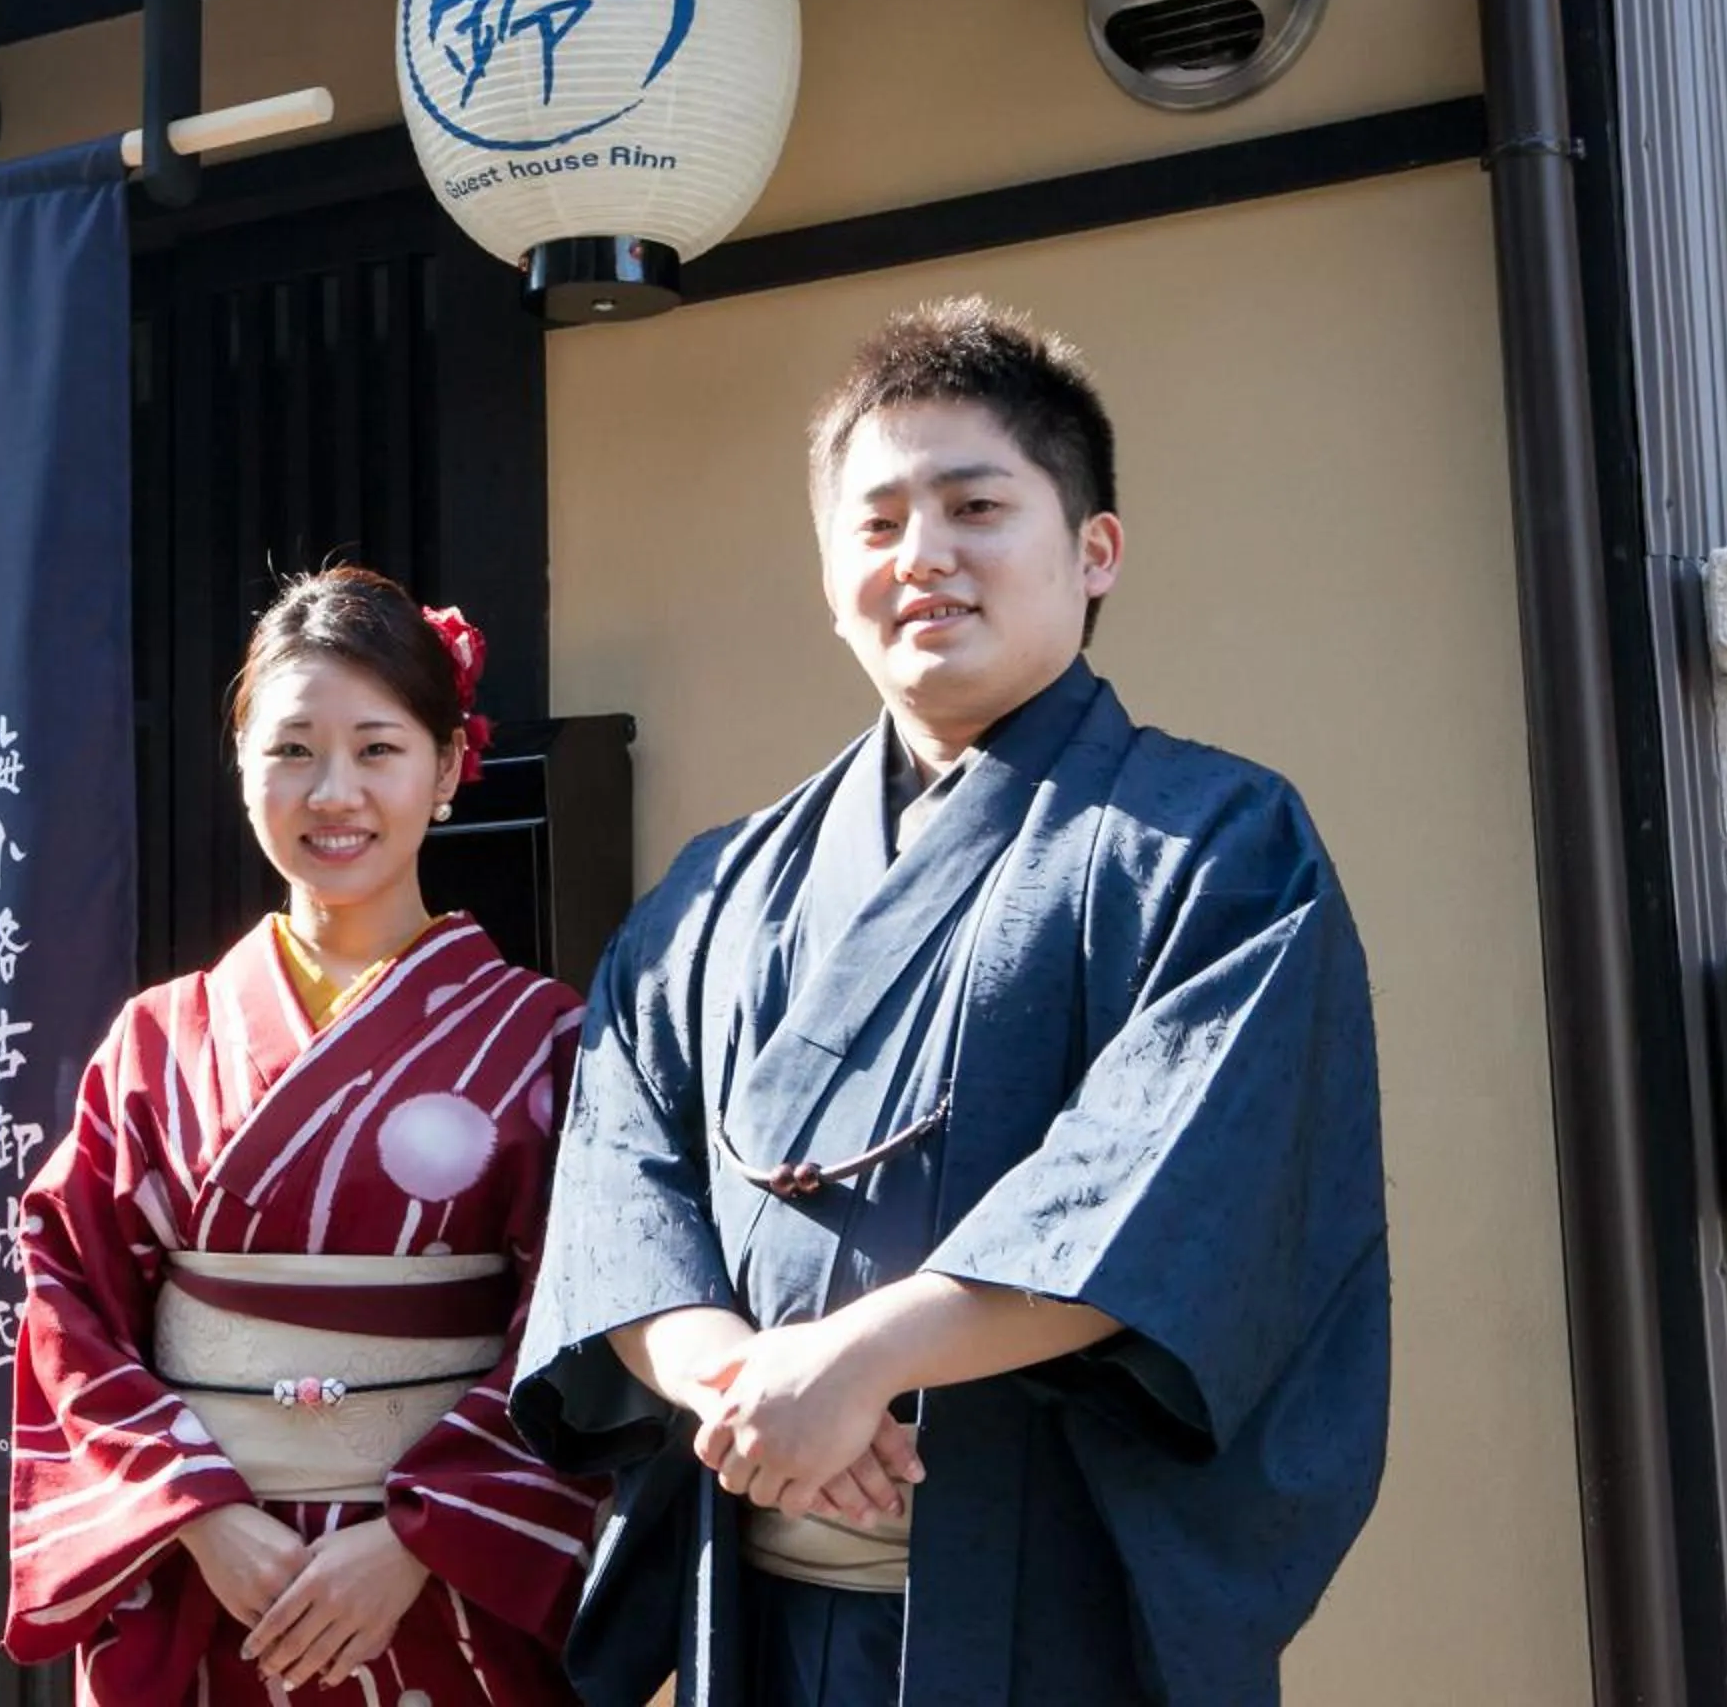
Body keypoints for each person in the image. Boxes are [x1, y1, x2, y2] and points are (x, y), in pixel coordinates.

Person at [510, 298, 1389, 1706]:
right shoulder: (714, 889)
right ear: (827, 573)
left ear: (1093, 549)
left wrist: (861, 1359)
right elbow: (620, 1184)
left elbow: (1165, 1191)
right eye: (876, 524)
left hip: (1049, 1617)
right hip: (763, 1611)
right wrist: (739, 1378)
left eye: (977, 507)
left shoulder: (1216, 846)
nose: (923, 558)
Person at [5, 567, 594, 1706]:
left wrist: (421, 1536)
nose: (336, 791)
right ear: (241, 769)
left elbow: (585, 1321)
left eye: (379, 748)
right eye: (292, 750)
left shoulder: (541, 1036)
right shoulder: (158, 1036)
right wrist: (200, 1508)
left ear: (450, 766)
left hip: (442, 1590)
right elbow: (65, 1296)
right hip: (207, 1576)